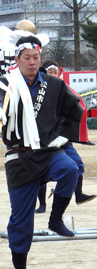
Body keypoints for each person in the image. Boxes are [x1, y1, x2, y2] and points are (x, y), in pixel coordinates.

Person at [0, 35, 84, 269]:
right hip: (19, 156)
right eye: (27, 58)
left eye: (36, 58)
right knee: (21, 220)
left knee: (71, 169)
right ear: (17, 60)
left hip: (48, 151)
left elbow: (76, 109)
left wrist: (62, 136)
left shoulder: (53, 84)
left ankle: (56, 218)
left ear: (40, 59)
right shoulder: (6, 83)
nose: (32, 62)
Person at [34, 60, 96, 213]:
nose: (53, 74)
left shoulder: (65, 90)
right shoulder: (38, 90)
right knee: (40, 172)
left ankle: (78, 194)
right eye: (50, 72)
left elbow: (76, 109)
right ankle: (41, 204)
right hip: (44, 138)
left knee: (77, 165)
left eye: (55, 72)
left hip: (62, 137)